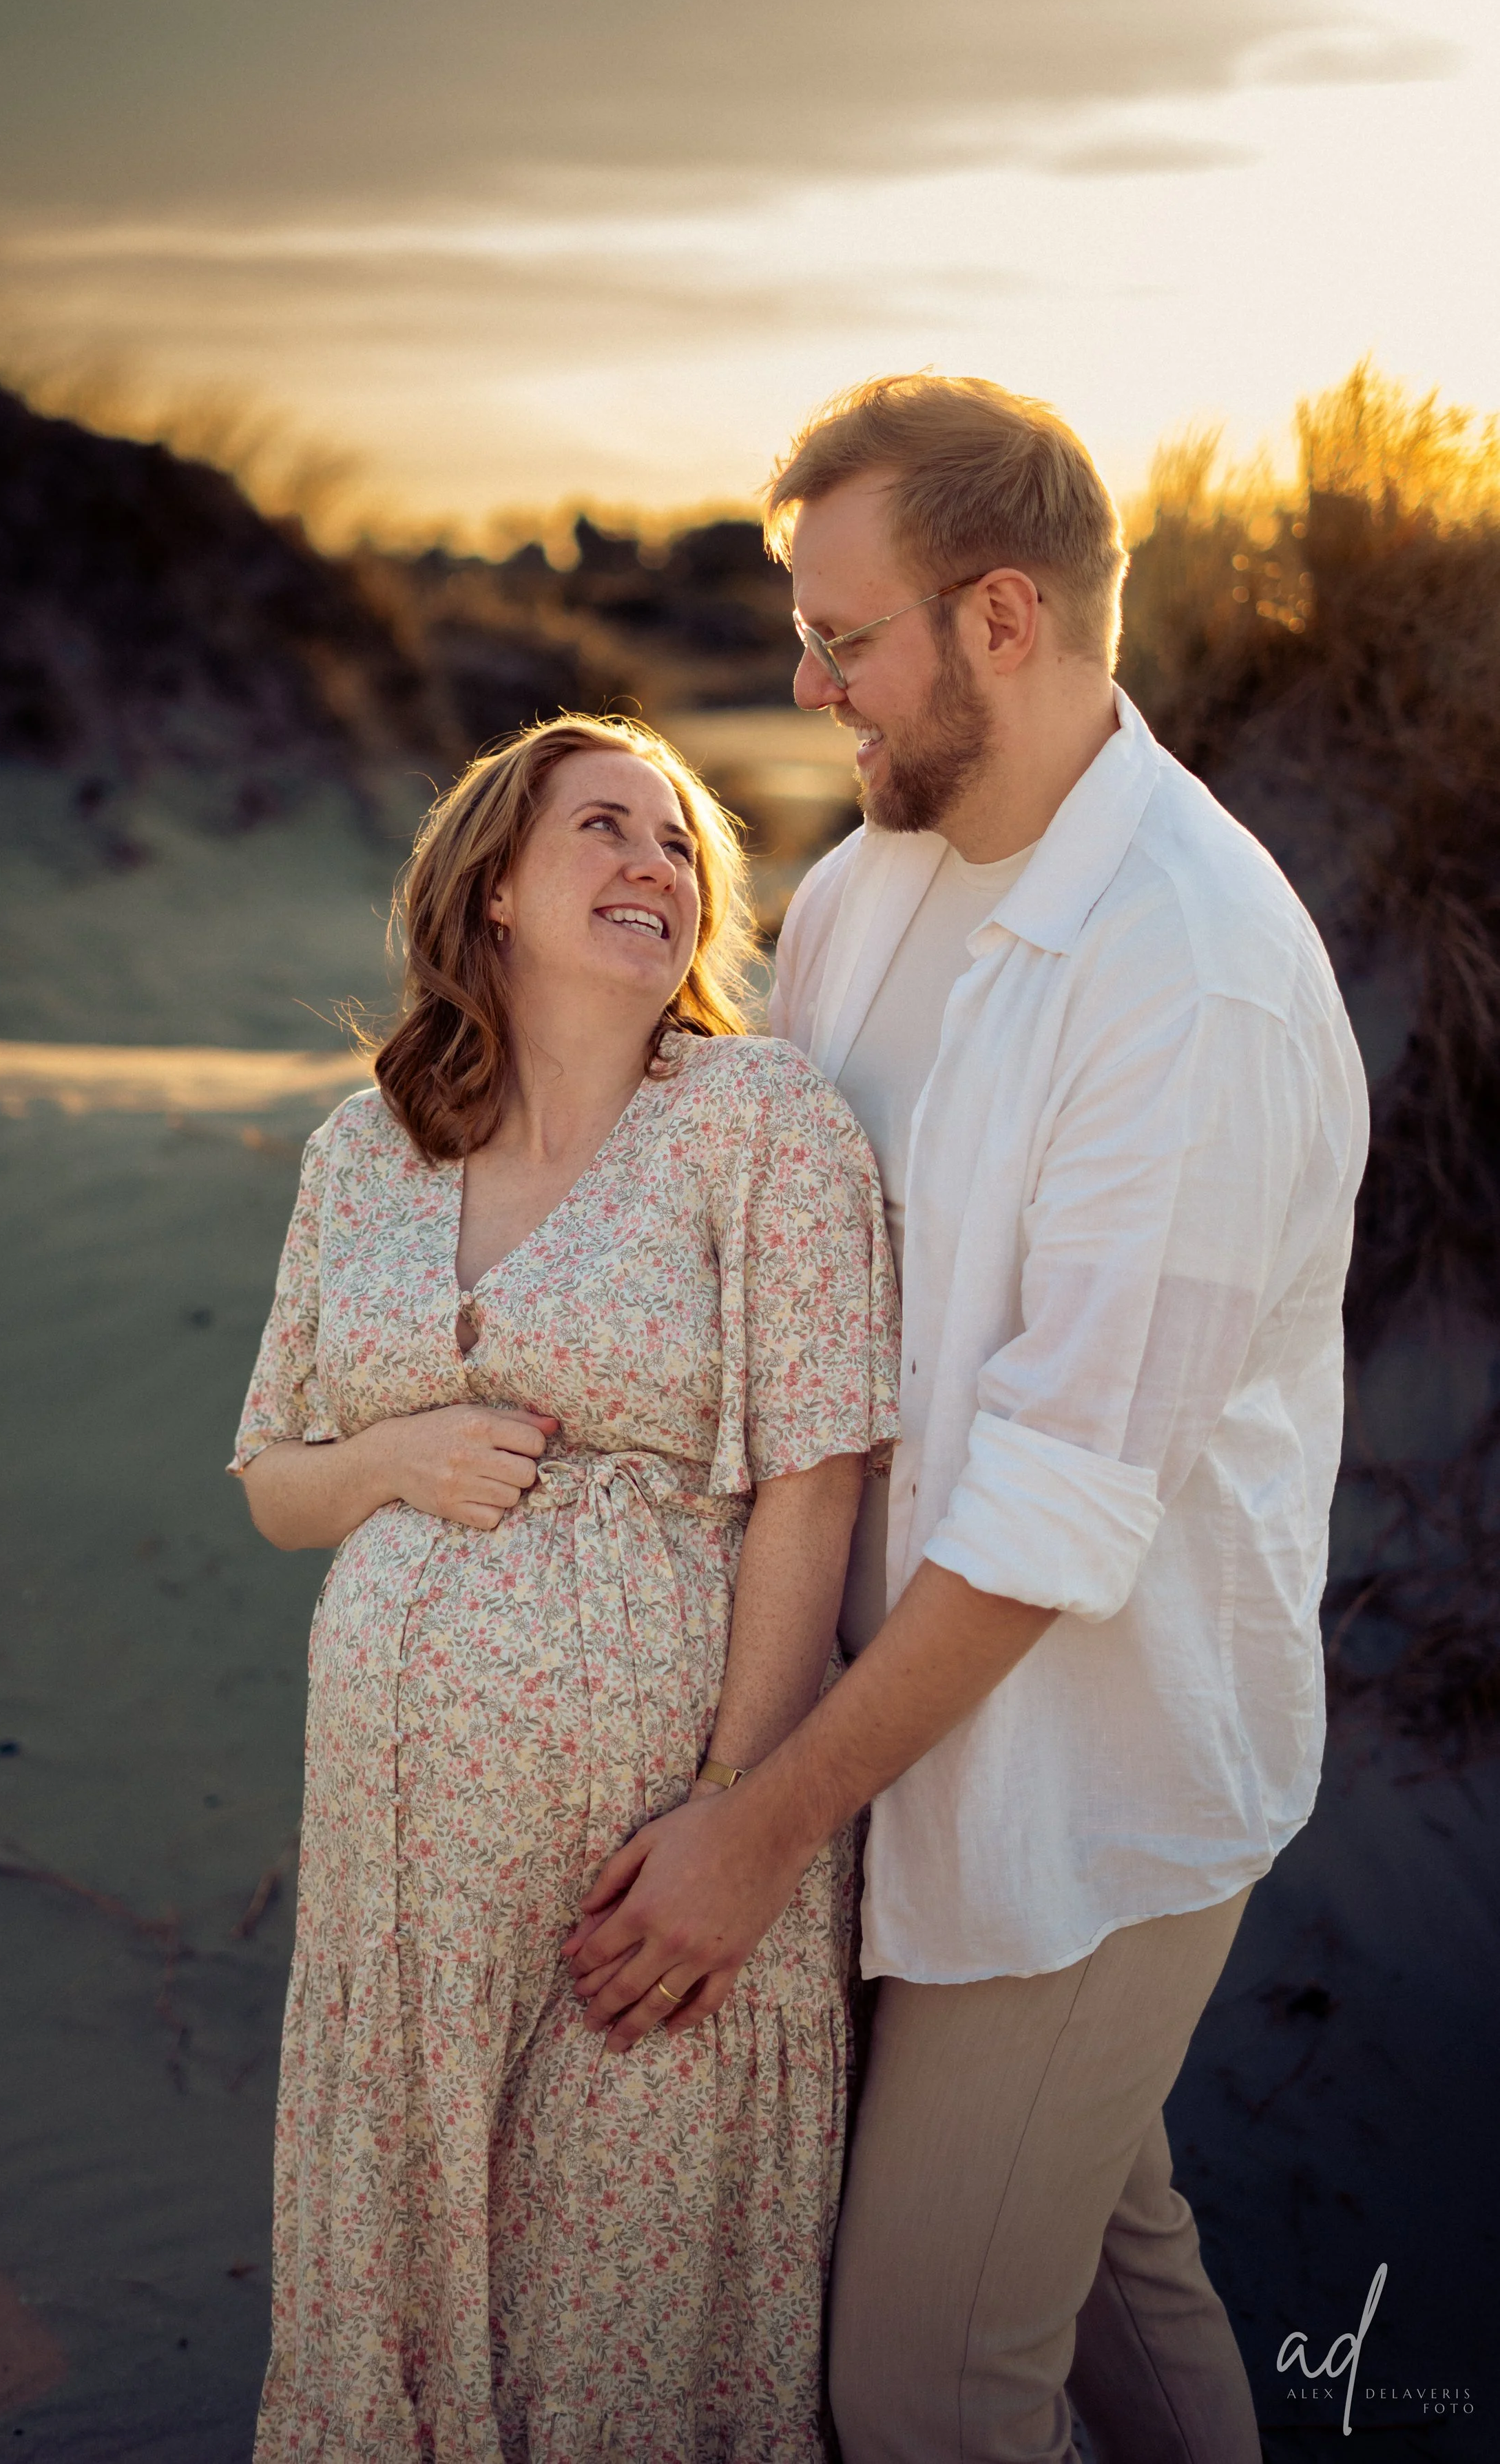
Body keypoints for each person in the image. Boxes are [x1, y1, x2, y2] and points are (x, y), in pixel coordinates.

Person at [565, 377, 1369, 2463]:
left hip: (1086, 1781)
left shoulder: (1185, 978)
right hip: (890, 1749)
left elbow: (1050, 1515)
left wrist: (752, 1832)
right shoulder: (866, 893)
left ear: (1001, 617)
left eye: (846, 637)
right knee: (1109, 2274)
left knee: (923, 2384)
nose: (808, 682)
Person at [230, 714, 898, 2461]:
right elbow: (273, 1483)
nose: (653, 867)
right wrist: (396, 1460)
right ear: (496, 892)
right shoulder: (361, 1154)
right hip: (401, 1920)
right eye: (604, 829)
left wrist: (733, 1822)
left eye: (680, 845)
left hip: (651, 1887)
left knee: (624, 2344)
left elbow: (812, 1485)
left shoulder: (761, 1125)